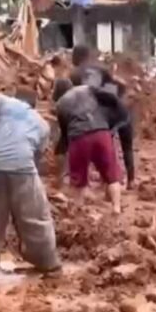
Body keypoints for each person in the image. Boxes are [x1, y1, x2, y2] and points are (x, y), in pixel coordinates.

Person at [0, 88, 61, 290]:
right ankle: (50, 265)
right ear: (34, 104)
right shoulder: (42, 124)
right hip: (23, 167)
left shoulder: (4, 102)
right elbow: (36, 159)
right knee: (35, 218)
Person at [69, 45, 136, 189]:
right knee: (126, 147)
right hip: (119, 110)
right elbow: (120, 84)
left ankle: (109, 182)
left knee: (103, 147)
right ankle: (130, 180)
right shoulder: (100, 69)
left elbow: (74, 98)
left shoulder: (74, 74)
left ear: (77, 56)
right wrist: (118, 100)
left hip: (101, 118)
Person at [54, 78, 123, 214]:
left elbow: (64, 132)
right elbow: (109, 96)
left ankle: (78, 208)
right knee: (112, 174)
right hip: (101, 132)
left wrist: (62, 151)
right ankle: (116, 207)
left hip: (79, 137)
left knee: (79, 178)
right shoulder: (87, 88)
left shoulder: (60, 104)